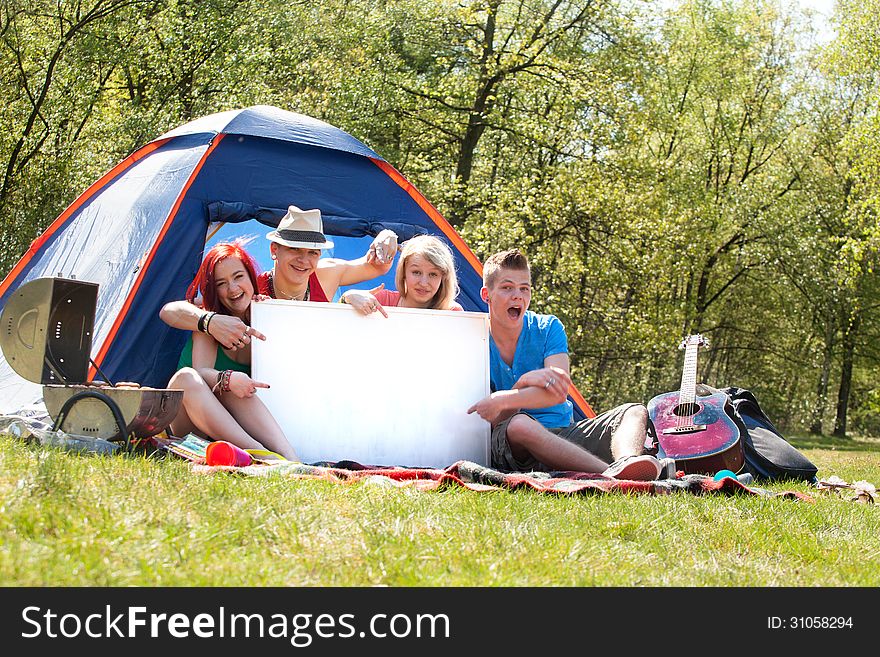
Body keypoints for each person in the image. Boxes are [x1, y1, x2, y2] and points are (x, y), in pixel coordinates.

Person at [466, 248, 662, 480]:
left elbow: (557, 393)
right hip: (512, 445)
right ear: (486, 295)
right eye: (507, 287)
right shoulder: (471, 339)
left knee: (634, 411)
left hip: (565, 435)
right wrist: (521, 386)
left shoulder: (549, 327)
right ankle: (611, 476)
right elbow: (490, 418)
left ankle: (627, 462)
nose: (517, 296)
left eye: (524, 288)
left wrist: (504, 397)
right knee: (519, 424)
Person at [160, 204, 399, 347]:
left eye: (312, 253)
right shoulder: (253, 289)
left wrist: (386, 235)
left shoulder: (326, 274)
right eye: (294, 249)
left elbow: (377, 267)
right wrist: (209, 322)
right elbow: (171, 311)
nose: (304, 260)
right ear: (275, 250)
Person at [165, 241, 299, 461]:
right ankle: (263, 456)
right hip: (191, 426)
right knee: (187, 378)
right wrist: (210, 322)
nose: (233, 289)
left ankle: (290, 458)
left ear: (250, 277)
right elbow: (200, 371)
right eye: (221, 283)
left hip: (238, 422)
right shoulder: (209, 319)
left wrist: (347, 297)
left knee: (240, 387)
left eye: (239, 277)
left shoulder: (266, 313)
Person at [338, 234, 464, 316]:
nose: (424, 282)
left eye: (433, 274)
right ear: (403, 272)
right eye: (416, 272)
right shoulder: (381, 300)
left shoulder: (453, 312)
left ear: (444, 277)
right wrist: (347, 297)